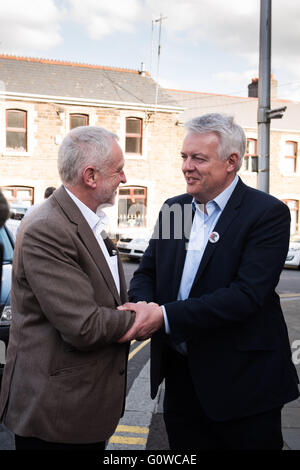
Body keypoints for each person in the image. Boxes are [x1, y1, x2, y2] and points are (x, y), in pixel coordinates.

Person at [118, 113, 300, 450]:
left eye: (198, 158)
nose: (187, 166)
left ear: (232, 162)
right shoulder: (176, 210)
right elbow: (148, 272)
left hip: (244, 386)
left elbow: (246, 295)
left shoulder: (266, 214)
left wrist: (164, 316)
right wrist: (144, 306)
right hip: (183, 381)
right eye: (184, 157)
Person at [0, 126, 135, 450]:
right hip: (56, 416)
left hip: (80, 407)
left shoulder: (85, 219)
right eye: (118, 170)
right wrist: (146, 318)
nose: (124, 178)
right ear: (91, 176)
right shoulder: (49, 227)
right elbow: (84, 326)